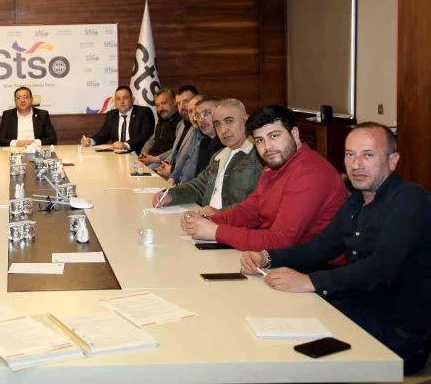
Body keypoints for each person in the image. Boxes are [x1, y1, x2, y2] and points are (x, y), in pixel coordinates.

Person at [240, 123, 431, 375]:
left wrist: (309, 281)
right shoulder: (356, 200)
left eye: (368, 155)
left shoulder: (410, 198)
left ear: (393, 161)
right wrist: (267, 257)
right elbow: (321, 247)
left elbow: (380, 268)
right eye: (350, 154)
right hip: (354, 311)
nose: (356, 164)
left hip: (398, 334)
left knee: (290, 360)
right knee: (269, 325)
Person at [182, 105, 348, 251]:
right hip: (280, 258)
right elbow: (249, 212)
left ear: (295, 134)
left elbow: (281, 241)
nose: (267, 147)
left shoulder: (310, 173)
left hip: (314, 268)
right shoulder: (273, 167)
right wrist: (206, 220)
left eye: (274, 136)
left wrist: (216, 231)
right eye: (260, 140)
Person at [153, 98, 262, 210]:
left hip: (223, 220)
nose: (223, 130)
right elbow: (199, 187)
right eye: (217, 124)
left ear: (246, 119)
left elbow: (256, 203)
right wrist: (170, 194)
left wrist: (219, 214)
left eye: (229, 121)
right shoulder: (219, 155)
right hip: (204, 216)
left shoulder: (260, 157)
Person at [79, 85, 154, 154]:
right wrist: (90, 141)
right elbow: (102, 135)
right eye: (118, 99)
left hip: (138, 154)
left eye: (125, 98)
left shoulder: (144, 112)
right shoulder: (111, 115)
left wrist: (125, 145)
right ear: (115, 102)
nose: (122, 102)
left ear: (132, 99)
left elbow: (144, 135)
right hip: (117, 155)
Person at [151, 84, 199, 170]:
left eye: (186, 101)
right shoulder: (181, 125)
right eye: (179, 103)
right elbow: (175, 152)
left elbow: (191, 163)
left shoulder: (199, 128)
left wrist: (171, 172)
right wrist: (165, 166)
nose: (182, 107)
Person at [138, 88, 179, 166]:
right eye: (157, 105)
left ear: (174, 102)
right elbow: (152, 140)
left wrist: (154, 159)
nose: (160, 108)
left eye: (163, 103)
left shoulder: (181, 122)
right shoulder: (162, 119)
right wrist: (143, 154)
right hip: (151, 158)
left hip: (164, 162)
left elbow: (177, 149)